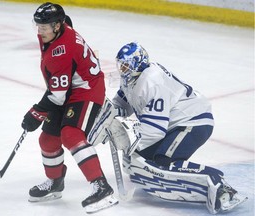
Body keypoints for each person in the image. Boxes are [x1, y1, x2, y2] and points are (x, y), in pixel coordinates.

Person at [105, 41, 247, 214]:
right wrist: (106, 116)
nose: (123, 70)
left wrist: (130, 139)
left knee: (163, 162)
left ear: (138, 62)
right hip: (174, 124)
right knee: (139, 161)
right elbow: (121, 104)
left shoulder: (152, 80)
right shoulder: (131, 79)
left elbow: (154, 130)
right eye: (121, 66)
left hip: (193, 121)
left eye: (126, 66)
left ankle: (219, 185)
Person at [21, 2, 118, 213]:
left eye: (44, 27)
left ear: (57, 26)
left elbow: (57, 97)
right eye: (38, 26)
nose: (39, 31)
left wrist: (36, 112)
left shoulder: (60, 51)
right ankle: (55, 183)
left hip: (87, 90)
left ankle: (102, 187)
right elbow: (58, 91)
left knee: (71, 134)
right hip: (68, 89)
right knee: (47, 139)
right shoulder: (57, 31)